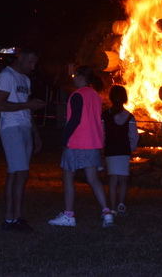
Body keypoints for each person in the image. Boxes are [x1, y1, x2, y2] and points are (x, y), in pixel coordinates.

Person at [49, 65, 113, 228]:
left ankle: (69, 215)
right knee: (93, 179)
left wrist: (64, 139)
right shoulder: (96, 96)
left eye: (74, 77)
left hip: (77, 142)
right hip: (93, 143)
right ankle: (106, 213)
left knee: (68, 177)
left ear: (80, 77)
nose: (73, 79)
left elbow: (75, 119)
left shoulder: (77, 95)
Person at [0, 48, 46, 232]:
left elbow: (27, 108)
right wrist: (28, 104)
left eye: (35, 63)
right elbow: (0, 104)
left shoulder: (25, 79)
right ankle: (13, 217)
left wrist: (35, 132)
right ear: (21, 57)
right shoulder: (6, 76)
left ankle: (11, 218)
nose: (33, 66)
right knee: (20, 172)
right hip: (11, 127)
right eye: (30, 62)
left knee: (15, 173)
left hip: (23, 126)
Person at [102, 85, 139, 216]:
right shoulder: (130, 117)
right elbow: (134, 135)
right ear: (125, 98)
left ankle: (112, 208)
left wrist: (102, 147)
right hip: (124, 151)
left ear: (111, 97)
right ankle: (121, 204)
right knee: (123, 179)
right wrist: (131, 148)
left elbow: (102, 133)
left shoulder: (105, 115)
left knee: (112, 180)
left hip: (111, 151)